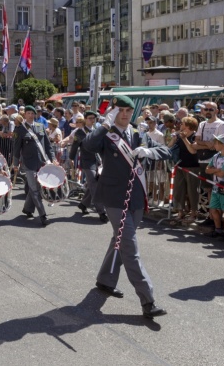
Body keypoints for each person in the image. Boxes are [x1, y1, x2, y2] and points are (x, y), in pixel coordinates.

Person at [83, 95, 171, 319]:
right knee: (130, 249)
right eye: (120, 110)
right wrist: (104, 123)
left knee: (119, 241)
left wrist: (149, 152)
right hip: (114, 198)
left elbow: (166, 151)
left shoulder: (138, 133)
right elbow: (89, 145)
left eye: (128, 111)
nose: (124, 114)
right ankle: (148, 300)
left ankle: (105, 280)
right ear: (113, 112)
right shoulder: (106, 134)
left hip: (136, 197)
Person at [12, 105, 58, 226]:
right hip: (28, 163)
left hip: (42, 162)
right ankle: (43, 215)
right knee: (35, 190)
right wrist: (15, 164)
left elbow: (47, 145)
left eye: (33, 114)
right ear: (25, 115)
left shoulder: (41, 126)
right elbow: (16, 149)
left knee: (36, 188)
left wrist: (53, 158)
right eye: (28, 113)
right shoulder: (19, 129)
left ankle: (27, 208)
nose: (31, 115)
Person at [75, 111, 107, 223]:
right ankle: (101, 211)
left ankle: (83, 204)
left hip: (98, 161)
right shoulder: (80, 132)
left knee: (92, 184)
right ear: (85, 119)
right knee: (94, 184)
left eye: (94, 118)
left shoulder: (96, 131)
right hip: (87, 162)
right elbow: (75, 146)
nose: (92, 120)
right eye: (90, 118)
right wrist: (70, 160)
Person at [205, 135, 224, 240]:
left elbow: (223, 174)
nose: (214, 145)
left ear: (222, 144)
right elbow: (207, 169)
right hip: (215, 186)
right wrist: (217, 170)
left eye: (216, 143)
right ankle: (218, 229)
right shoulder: (216, 156)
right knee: (213, 208)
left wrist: (215, 170)